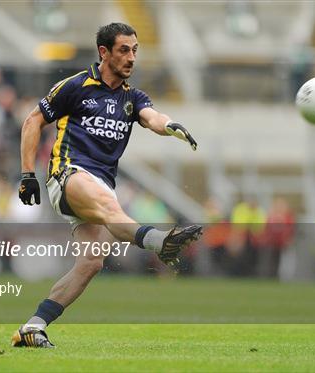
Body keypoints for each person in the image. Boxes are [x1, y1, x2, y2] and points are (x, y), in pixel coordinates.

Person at [11, 23, 202, 348]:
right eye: (124, 50)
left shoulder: (132, 97)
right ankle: (158, 241)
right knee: (109, 205)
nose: (131, 57)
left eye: (135, 50)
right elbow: (33, 121)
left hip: (98, 186)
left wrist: (169, 125)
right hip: (68, 176)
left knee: (91, 261)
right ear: (104, 52)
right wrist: (28, 174)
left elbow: (151, 116)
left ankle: (33, 326)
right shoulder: (75, 86)